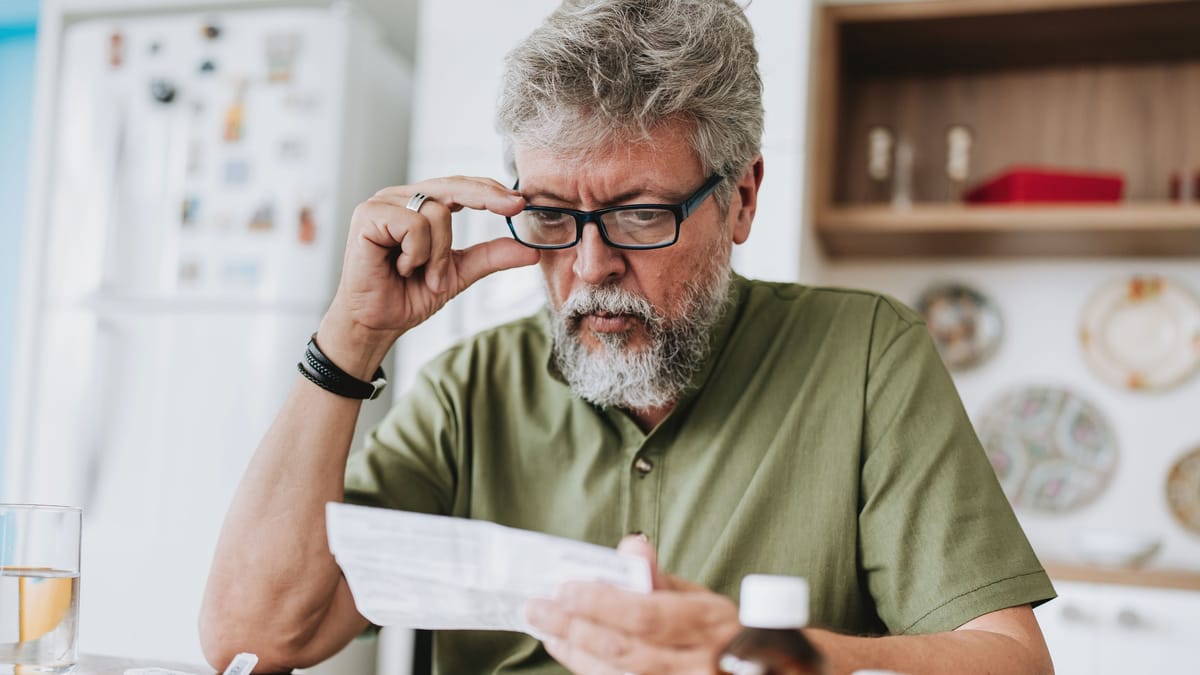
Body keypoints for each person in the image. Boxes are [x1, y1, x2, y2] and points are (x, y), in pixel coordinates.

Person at [200, 1, 1056, 673]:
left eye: (640, 214)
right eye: (550, 215)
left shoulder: (868, 357)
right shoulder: (471, 389)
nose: (590, 264)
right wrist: (351, 336)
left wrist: (758, 657)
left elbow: (1009, 661)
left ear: (742, 199)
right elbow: (255, 637)